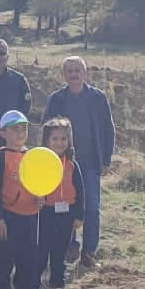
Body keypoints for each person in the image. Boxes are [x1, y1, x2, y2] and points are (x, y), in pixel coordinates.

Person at [44, 56, 115, 269]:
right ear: (64, 75)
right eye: (70, 71)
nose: (74, 74)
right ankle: (68, 247)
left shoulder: (98, 97)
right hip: (63, 163)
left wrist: (106, 159)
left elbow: (108, 129)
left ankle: (89, 252)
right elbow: (46, 129)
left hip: (91, 162)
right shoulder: (56, 99)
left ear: (85, 73)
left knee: (91, 208)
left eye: (78, 70)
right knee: (64, 206)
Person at [0, 111, 40, 289]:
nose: (20, 133)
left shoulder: (33, 156)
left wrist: (40, 196)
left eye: (23, 129)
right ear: (3, 133)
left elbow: (39, 182)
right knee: (4, 260)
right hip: (8, 217)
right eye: (14, 129)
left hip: (31, 215)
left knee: (28, 259)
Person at [37, 118, 84, 289]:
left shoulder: (72, 164)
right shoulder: (39, 162)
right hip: (45, 213)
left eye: (63, 139)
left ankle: (58, 288)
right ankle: (34, 288)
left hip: (67, 215)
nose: (59, 143)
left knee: (60, 253)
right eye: (54, 138)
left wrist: (79, 215)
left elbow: (80, 191)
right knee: (41, 252)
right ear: (46, 140)